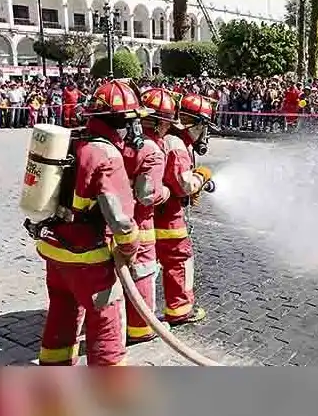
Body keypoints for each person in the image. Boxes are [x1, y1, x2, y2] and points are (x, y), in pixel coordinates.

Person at [34, 80, 144, 366]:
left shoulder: (74, 141)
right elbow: (119, 220)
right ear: (122, 123)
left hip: (55, 251)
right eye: (132, 122)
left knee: (62, 312)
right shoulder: (107, 156)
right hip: (90, 259)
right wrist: (131, 251)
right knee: (106, 321)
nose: (135, 131)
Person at [154, 93, 215, 325]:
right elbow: (183, 185)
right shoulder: (177, 145)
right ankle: (180, 310)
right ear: (197, 123)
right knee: (179, 260)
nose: (204, 134)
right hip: (167, 217)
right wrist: (201, 176)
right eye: (204, 127)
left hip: (152, 214)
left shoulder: (169, 137)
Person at [122, 87, 176, 344]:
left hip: (114, 221)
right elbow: (148, 195)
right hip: (140, 223)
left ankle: (122, 319)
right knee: (143, 271)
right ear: (162, 121)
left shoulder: (122, 140)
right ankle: (141, 328)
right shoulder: (152, 150)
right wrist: (165, 191)